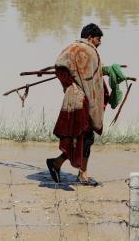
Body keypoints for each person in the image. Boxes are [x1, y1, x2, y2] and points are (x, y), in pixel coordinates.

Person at [46, 23, 109, 186]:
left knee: (83, 137)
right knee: (82, 136)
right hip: (83, 102)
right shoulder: (90, 51)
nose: (100, 42)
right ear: (89, 37)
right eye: (98, 38)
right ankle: (68, 168)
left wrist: (70, 87)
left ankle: (74, 170)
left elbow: (61, 69)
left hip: (73, 98)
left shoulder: (70, 49)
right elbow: (91, 80)